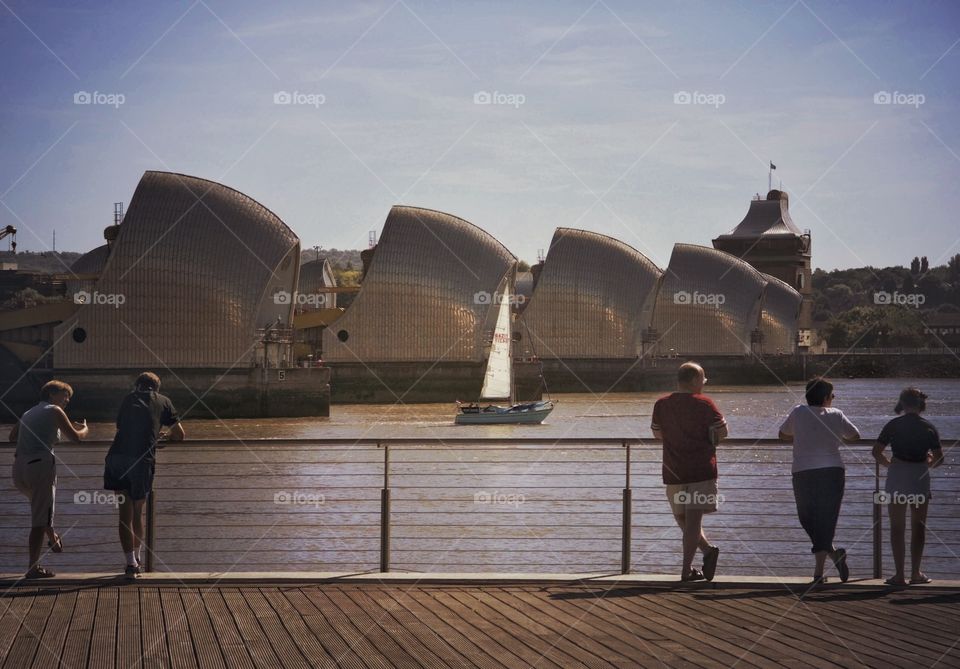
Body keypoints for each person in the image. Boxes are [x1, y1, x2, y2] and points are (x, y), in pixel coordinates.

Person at [778, 378, 860, 585]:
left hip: (805, 472)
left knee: (811, 518)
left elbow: (782, 435)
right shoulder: (835, 415)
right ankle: (834, 555)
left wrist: (800, 437)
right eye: (832, 396)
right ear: (825, 397)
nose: (833, 399)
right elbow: (855, 436)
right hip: (830, 472)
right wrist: (835, 436)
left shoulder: (798, 413)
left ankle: (818, 574)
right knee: (817, 519)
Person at [103, 372, 184, 578]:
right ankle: (136, 560)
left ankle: (130, 563)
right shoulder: (164, 401)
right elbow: (180, 434)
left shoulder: (128, 399)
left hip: (117, 458)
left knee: (124, 514)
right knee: (138, 512)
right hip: (141, 460)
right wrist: (161, 435)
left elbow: (121, 427)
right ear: (157, 387)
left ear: (137, 385)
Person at [651, 362, 727, 582]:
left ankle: (693, 564)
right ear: (694, 381)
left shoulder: (661, 404)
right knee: (692, 521)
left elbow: (658, 435)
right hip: (701, 470)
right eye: (702, 380)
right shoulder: (706, 404)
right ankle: (699, 559)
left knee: (682, 518)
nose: (703, 385)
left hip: (673, 470)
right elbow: (723, 432)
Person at [8, 380, 89, 578]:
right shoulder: (54, 410)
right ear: (52, 393)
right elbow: (77, 438)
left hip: (19, 468)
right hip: (40, 466)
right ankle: (32, 568)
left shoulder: (29, 412)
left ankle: (51, 535)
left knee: (40, 509)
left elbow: (12, 437)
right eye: (65, 394)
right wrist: (86, 428)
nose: (67, 400)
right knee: (38, 519)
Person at [873, 387, 943, 586]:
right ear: (921, 405)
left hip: (897, 476)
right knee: (918, 527)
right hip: (919, 477)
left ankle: (898, 575)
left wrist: (889, 464)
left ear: (902, 404)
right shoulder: (928, 427)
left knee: (896, 528)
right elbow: (939, 458)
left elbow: (876, 451)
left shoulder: (893, 425)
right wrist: (927, 463)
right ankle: (915, 573)